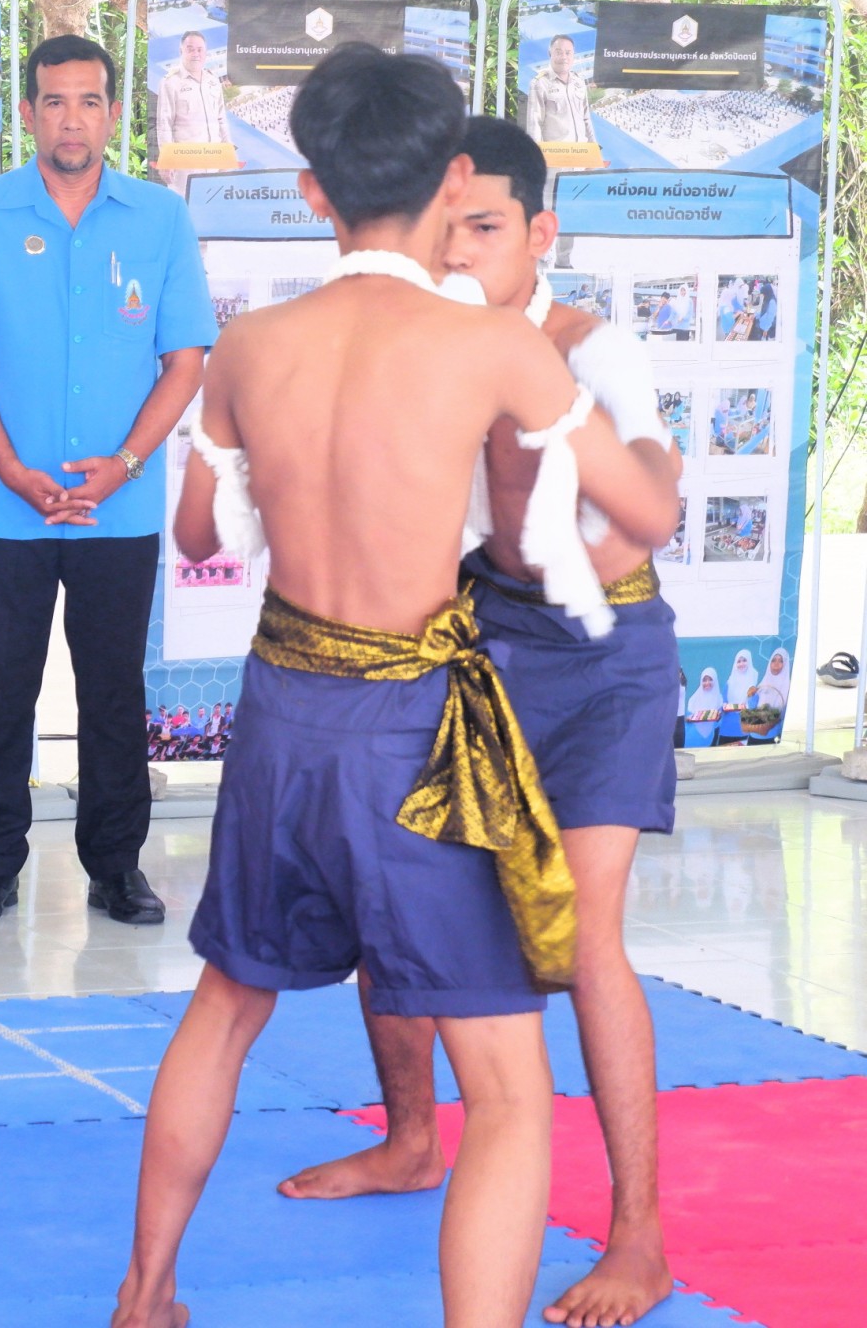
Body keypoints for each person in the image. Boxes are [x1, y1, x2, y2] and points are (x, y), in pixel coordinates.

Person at [113, 44, 678, 1328]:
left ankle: (144, 1295)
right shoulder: (491, 347)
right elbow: (645, 510)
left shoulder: (246, 345)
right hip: (415, 732)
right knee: (508, 1087)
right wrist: (644, 445)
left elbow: (196, 542)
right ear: (453, 179)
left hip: (279, 709)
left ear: (311, 190)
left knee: (225, 1006)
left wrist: (244, 475)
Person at [278, 115, 686, 1328]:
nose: (461, 252)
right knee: (391, 895)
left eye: (488, 229)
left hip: (606, 657)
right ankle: (410, 1140)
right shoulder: (426, 341)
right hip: (478, 635)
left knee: (585, 938)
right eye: (447, 228)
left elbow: (655, 479)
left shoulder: (590, 347)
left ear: (540, 232)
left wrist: (586, 560)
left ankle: (638, 1237)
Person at [0, 34, 216, 926]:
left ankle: (116, 866)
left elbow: (185, 361)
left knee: (114, 690)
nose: (72, 119)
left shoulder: (160, 218)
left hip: (117, 508)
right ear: (29, 113)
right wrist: (12, 470)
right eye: (54, 101)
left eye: (89, 101)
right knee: (2, 687)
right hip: (3, 506)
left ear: (113, 114)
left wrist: (125, 465)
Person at [153, 31, 228, 188]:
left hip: (214, 162)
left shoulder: (213, 81)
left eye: (200, 50)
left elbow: (221, 119)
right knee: (184, 202)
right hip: (185, 167)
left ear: (205, 52)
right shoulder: (170, 82)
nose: (196, 54)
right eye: (190, 49)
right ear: (181, 51)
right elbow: (164, 124)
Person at [523, 33, 594, 144]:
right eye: (559, 52)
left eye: (568, 53)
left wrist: (594, 148)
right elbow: (535, 124)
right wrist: (536, 153)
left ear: (573, 55)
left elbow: (586, 119)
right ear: (550, 53)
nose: (564, 57)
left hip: (582, 151)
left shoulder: (579, 82)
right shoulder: (540, 83)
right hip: (556, 152)